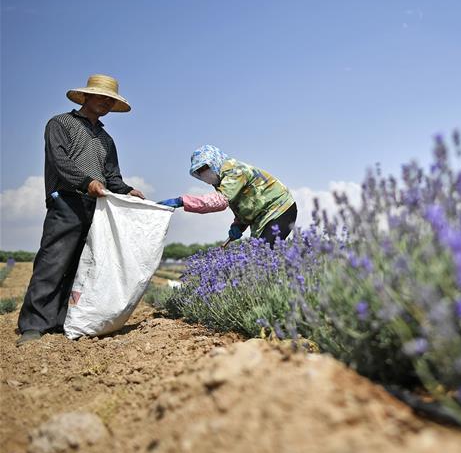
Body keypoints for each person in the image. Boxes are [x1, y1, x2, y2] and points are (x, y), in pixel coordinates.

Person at [16, 74, 145, 346]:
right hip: (66, 201)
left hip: (95, 206)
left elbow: (112, 176)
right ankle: (34, 325)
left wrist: (126, 190)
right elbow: (59, 161)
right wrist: (87, 182)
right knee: (53, 262)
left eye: (111, 99)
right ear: (85, 96)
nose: (106, 102)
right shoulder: (61, 123)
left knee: (79, 266)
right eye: (101, 96)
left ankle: (62, 321)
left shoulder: (106, 139)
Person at [157, 145, 297, 247]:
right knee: (258, 255)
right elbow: (245, 205)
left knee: (263, 253)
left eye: (205, 168)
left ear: (214, 162)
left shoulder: (234, 171)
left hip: (280, 210)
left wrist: (182, 201)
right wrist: (239, 225)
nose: (203, 173)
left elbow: (220, 201)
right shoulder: (221, 180)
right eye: (199, 171)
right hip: (262, 217)